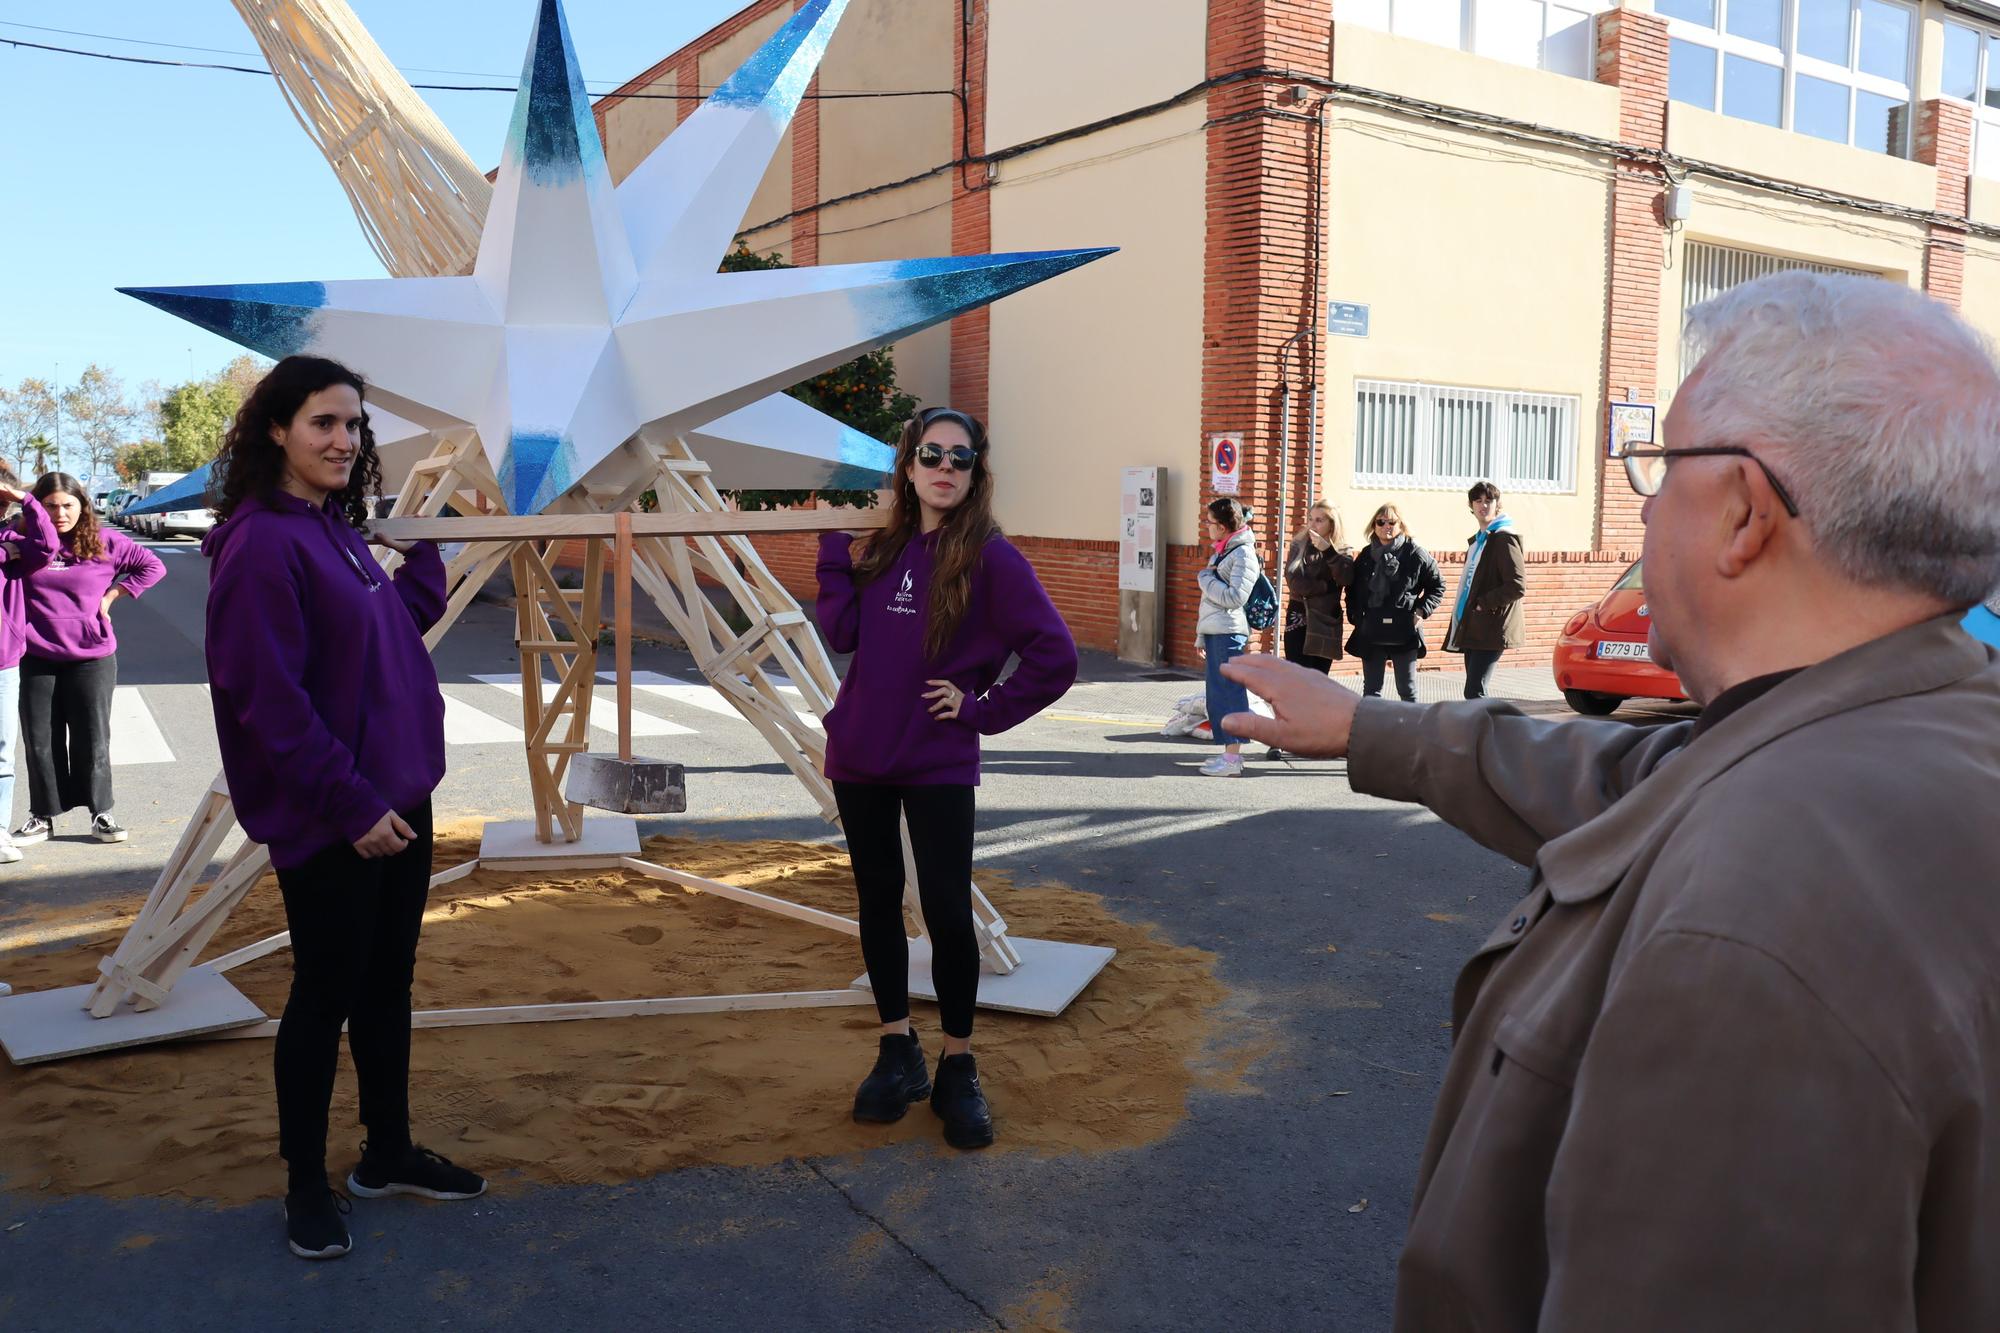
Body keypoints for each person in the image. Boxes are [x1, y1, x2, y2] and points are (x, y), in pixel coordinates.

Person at [1220, 271, 2000, 1330]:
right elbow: (1631, 778)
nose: (1642, 506)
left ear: (1739, 515)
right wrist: (1367, 728)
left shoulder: (1753, 933)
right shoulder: (1913, 719)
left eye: (1658, 466)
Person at [203, 355, 483, 1262]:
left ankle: (387, 1150)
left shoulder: (333, 529)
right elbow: (268, 698)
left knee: (387, 982)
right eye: (324, 422)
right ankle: (305, 1183)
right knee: (325, 995)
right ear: (277, 429)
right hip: (339, 818)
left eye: (353, 426)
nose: (342, 440)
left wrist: (431, 548)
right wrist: (351, 804)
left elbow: (390, 625)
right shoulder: (258, 544)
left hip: (396, 798)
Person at [815, 405, 1078, 1150]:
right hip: (859, 755)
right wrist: (835, 548)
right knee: (876, 899)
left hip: (936, 760)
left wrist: (982, 709)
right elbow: (842, 633)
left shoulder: (992, 558)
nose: (943, 466)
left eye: (959, 458)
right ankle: (897, 1048)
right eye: (930, 453)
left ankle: (957, 1062)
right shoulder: (886, 545)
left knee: (944, 908)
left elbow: (1055, 655)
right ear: (907, 465)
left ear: (975, 472)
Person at [15, 472, 165, 845]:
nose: (60, 513)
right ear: (38, 507)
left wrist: (112, 596)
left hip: (91, 654)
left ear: (82, 506)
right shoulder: (24, 541)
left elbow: (153, 567)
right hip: (36, 654)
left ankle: (101, 813)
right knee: (40, 739)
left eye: (67, 505)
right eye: (50, 506)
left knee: (92, 736)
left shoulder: (105, 541)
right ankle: (43, 815)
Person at [0, 463, 58, 864]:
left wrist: (27, 499)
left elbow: (48, 547)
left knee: (3, 753)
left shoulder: (13, 540)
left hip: (4, 661)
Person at [1269, 500, 1353, 760]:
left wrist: (1328, 553)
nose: (1313, 524)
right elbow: (1295, 584)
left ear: (1331, 523)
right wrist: (1327, 587)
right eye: (1311, 518)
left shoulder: (1343, 551)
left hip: (1326, 621)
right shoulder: (1298, 545)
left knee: (1319, 682)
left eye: (1320, 520)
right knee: (1295, 681)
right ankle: (1282, 737)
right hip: (1298, 618)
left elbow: (1347, 579)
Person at [1344, 504, 1443, 703]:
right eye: (1381, 522)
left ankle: (1412, 730)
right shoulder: (1365, 555)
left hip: (1404, 628)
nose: (1386, 526)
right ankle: (1373, 729)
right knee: (1371, 690)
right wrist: (1355, 615)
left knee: (1407, 689)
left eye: (1392, 522)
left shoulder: (1415, 553)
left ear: (1401, 525)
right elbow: (1352, 589)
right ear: (1374, 525)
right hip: (1372, 629)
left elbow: (1437, 586)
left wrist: (1421, 610)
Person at [1194, 497, 1260, 776]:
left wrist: (1205, 579)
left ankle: (1233, 759)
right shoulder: (1223, 551)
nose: (1206, 527)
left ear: (1221, 527)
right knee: (1217, 695)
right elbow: (1208, 601)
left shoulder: (1243, 554)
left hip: (1229, 632)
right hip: (1216, 631)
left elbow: (1235, 597)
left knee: (1229, 694)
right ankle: (1228, 755)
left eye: (1209, 523)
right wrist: (1201, 635)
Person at [1441, 481, 1525, 700]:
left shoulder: (1504, 538)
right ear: (1471, 506)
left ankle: (1490, 733)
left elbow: (1517, 585)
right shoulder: (1480, 541)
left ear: (1498, 505)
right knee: (1473, 690)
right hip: (1474, 624)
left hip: (1491, 625)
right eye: (1478, 501)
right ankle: (1483, 732)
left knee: (1474, 691)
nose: (1483, 505)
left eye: (1489, 501)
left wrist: (1483, 603)